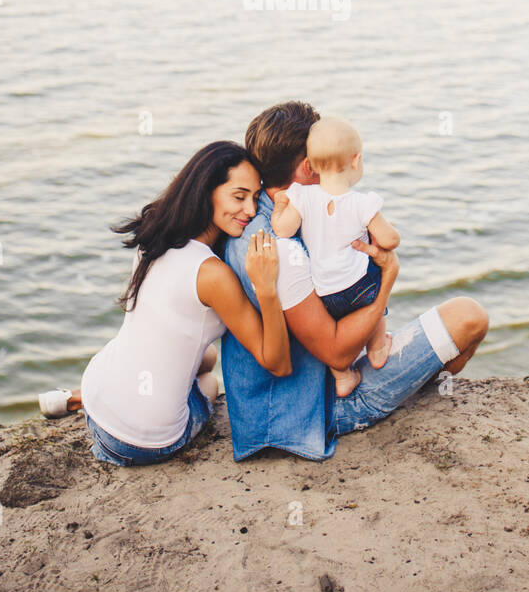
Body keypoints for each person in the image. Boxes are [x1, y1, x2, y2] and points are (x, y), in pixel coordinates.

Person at [221, 101, 489, 461]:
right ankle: (415, 380)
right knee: (468, 317)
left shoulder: (270, 213)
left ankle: (414, 375)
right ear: (308, 166)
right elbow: (336, 352)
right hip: (314, 412)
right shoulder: (279, 248)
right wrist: (388, 279)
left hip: (292, 395)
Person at [44, 141, 291, 465]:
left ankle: (73, 399)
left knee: (204, 356)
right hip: (139, 443)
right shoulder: (212, 275)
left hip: (98, 396)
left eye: (256, 199)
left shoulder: (155, 231)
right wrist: (267, 289)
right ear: (206, 191)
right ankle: (80, 401)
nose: (249, 210)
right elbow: (279, 364)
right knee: (209, 380)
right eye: (239, 196)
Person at [271, 115, 399, 397]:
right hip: (360, 287)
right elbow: (391, 240)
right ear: (356, 161)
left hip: (325, 294)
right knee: (376, 282)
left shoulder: (302, 197)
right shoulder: (362, 203)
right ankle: (377, 348)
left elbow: (282, 229)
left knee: (339, 322)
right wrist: (380, 240)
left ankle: (342, 377)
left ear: (313, 165)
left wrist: (281, 206)